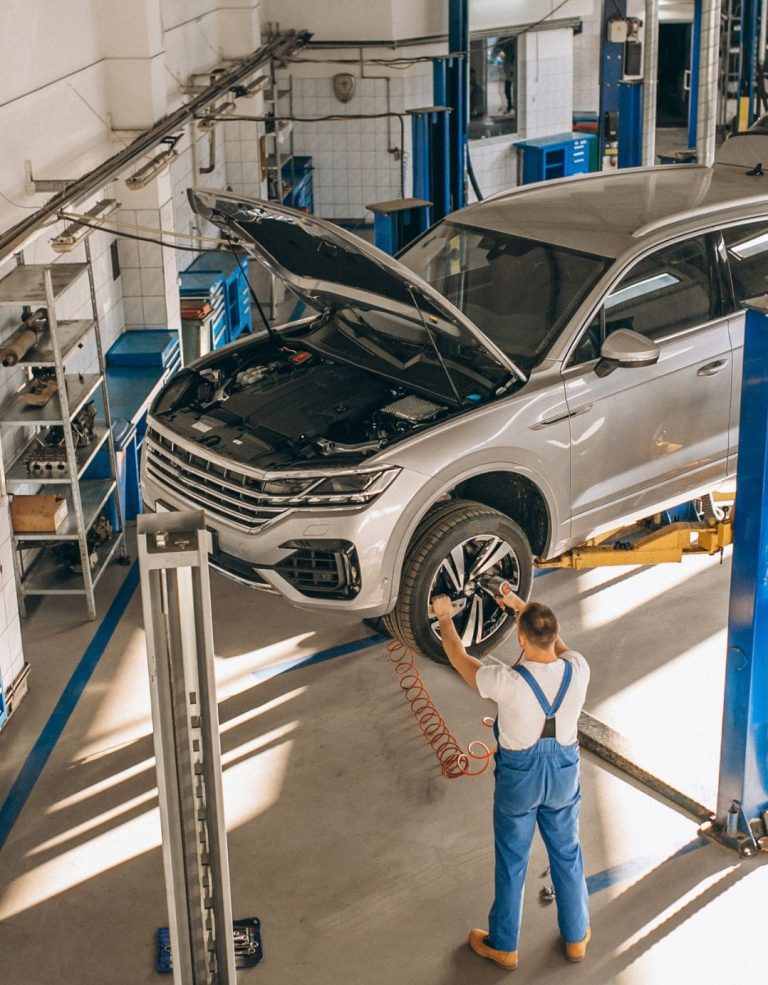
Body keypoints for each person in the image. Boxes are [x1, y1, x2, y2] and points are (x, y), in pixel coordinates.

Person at [430, 590, 591, 971]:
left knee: (512, 860)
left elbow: (459, 659)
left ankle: (503, 945)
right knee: (567, 854)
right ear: (556, 632)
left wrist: (444, 618)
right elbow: (561, 648)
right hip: (564, 772)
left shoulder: (506, 680)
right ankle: (576, 938)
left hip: (520, 778)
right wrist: (524, 610)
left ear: (520, 639)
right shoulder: (579, 668)